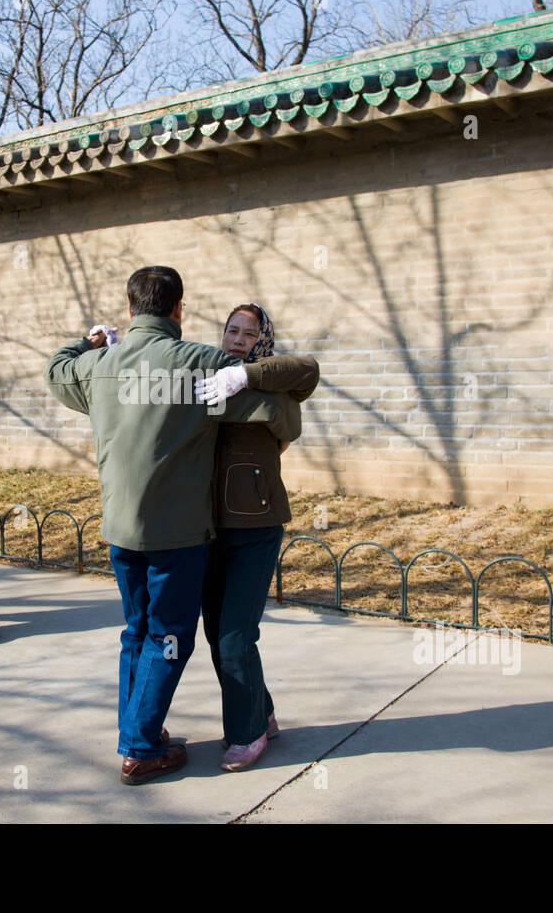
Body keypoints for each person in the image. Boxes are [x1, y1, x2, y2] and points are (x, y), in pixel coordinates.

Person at [44, 266, 302, 785]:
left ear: (131, 310)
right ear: (179, 308)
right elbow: (279, 407)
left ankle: (138, 732)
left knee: (136, 633)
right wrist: (265, 404)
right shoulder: (202, 364)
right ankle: (140, 746)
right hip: (178, 536)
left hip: (119, 528)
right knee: (168, 638)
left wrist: (90, 340)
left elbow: (56, 369)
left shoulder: (99, 365)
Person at [198, 304, 319, 771]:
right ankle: (261, 712)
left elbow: (309, 368)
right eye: (232, 329)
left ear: (262, 339)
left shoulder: (279, 381)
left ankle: (247, 734)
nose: (238, 338)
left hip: (256, 526)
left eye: (250, 333)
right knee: (218, 632)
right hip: (207, 528)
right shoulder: (204, 372)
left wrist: (246, 378)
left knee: (235, 635)